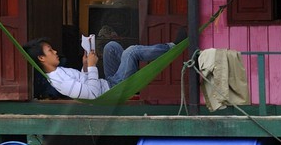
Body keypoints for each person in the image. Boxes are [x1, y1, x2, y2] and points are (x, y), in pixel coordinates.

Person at [29, 35, 173, 100]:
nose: (55, 52)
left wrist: (85, 66)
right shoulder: (59, 82)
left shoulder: (59, 71)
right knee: (131, 52)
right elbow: (92, 94)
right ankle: (172, 47)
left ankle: (132, 75)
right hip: (113, 91)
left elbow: (83, 82)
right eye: (50, 50)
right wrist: (92, 66)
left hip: (109, 83)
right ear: (42, 58)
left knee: (111, 47)